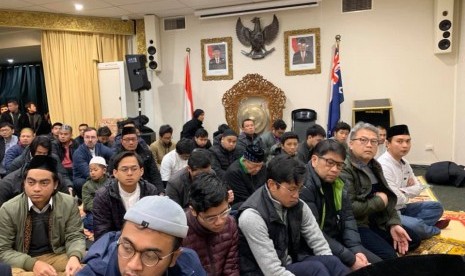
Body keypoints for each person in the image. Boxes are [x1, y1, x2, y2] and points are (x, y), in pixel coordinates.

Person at [238, 155, 350, 276]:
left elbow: (318, 242)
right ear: (271, 185)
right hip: (262, 272)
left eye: (300, 189)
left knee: (332, 262)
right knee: (316, 269)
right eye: (291, 189)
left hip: (291, 262)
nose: (296, 196)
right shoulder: (252, 217)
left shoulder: (299, 205)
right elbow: (272, 271)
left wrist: (330, 265)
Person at [340, 122, 421, 260]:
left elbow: (388, 198)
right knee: (388, 256)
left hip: (377, 219)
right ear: (351, 143)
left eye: (374, 141)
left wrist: (393, 223)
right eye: (363, 140)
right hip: (357, 224)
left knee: (412, 239)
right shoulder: (344, 168)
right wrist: (379, 201)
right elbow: (350, 208)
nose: (369, 145)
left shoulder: (374, 165)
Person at [300, 140, 382, 270]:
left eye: (339, 165)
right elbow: (314, 234)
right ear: (315, 160)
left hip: (338, 242)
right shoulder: (303, 185)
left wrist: (356, 249)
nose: (334, 169)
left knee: (382, 266)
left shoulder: (339, 182)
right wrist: (351, 259)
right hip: (313, 248)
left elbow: (348, 218)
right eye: (330, 163)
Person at [79, 195, 207, 276]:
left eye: (150, 256)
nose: (133, 266)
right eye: (127, 248)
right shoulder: (95, 271)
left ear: (173, 257)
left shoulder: (189, 267)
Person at [0, 155, 85, 275]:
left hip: (57, 255)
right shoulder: (9, 209)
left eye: (44, 183)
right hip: (22, 259)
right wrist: (33, 264)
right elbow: (3, 250)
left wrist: (75, 256)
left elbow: (75, 235)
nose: (36, 189)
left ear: (55, 184)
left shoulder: (68, 203)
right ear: (24, 183)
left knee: (87, 268)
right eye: (31, 182)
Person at [377, 124, 448, 240]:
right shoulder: (383, 165)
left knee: (436, 207)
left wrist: (402, 191)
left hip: (403, 208)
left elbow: (418, 187)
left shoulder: (404, 162)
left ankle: (418, 228)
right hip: (389, 213)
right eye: (399, 141)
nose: (405, 145)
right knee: (415, 225)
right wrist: (407, 192)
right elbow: (395, 198)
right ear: (387, 144)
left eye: (408, 141)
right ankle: (432, 229)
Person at [93, 151, 159, 241]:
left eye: (134, 169)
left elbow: (155, 225)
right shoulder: (103, 196)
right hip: (116, 243)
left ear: (141, 171)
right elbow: (102, 232)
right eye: (124, 169)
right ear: (115, 173)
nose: (129, 173)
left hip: (145, 241)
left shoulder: (150, 191)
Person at [183, 173, 239, 275]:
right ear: (193, 211)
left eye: (224, 212)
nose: (220, 221)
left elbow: (231, 267)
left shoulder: (230, 224)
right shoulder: (180, 232)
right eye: (211, 218)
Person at [109, 126, 164, 194]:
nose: (131, 142)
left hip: (146, 189)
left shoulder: (146, 154)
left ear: (137, 140)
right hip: (123, 190)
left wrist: (161, 192)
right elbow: (112, 178)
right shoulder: (115, 157)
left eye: (133, 139)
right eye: (127, 140)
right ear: (122, 141)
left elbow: (154, 174)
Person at [73, 127, 114, 198]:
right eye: (87, 137)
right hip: (83, 178)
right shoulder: (78, 153)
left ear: (97, 138)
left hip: (101, 175)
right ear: (83, 138)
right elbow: (87, 173)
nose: (90, 140)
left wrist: (111, 171)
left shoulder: (100, 146)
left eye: (93, 137)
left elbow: (114, 157)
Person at [224, 144, 266, 210]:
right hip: (242, 205)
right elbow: (243, 198)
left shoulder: (262, 167)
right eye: (254, 166)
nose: (258, 169)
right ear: (244, 161)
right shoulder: (233, 172)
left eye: (260, 165)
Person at [82, 156, 110, 232]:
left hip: (109, 211)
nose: (92, 172)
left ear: (104, 170)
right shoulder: (87, 185)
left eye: (95, 170)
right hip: (94, 212)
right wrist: (100, 209)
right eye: (91, 170)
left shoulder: (111, 182)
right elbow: (88, 203)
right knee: (91, 221)